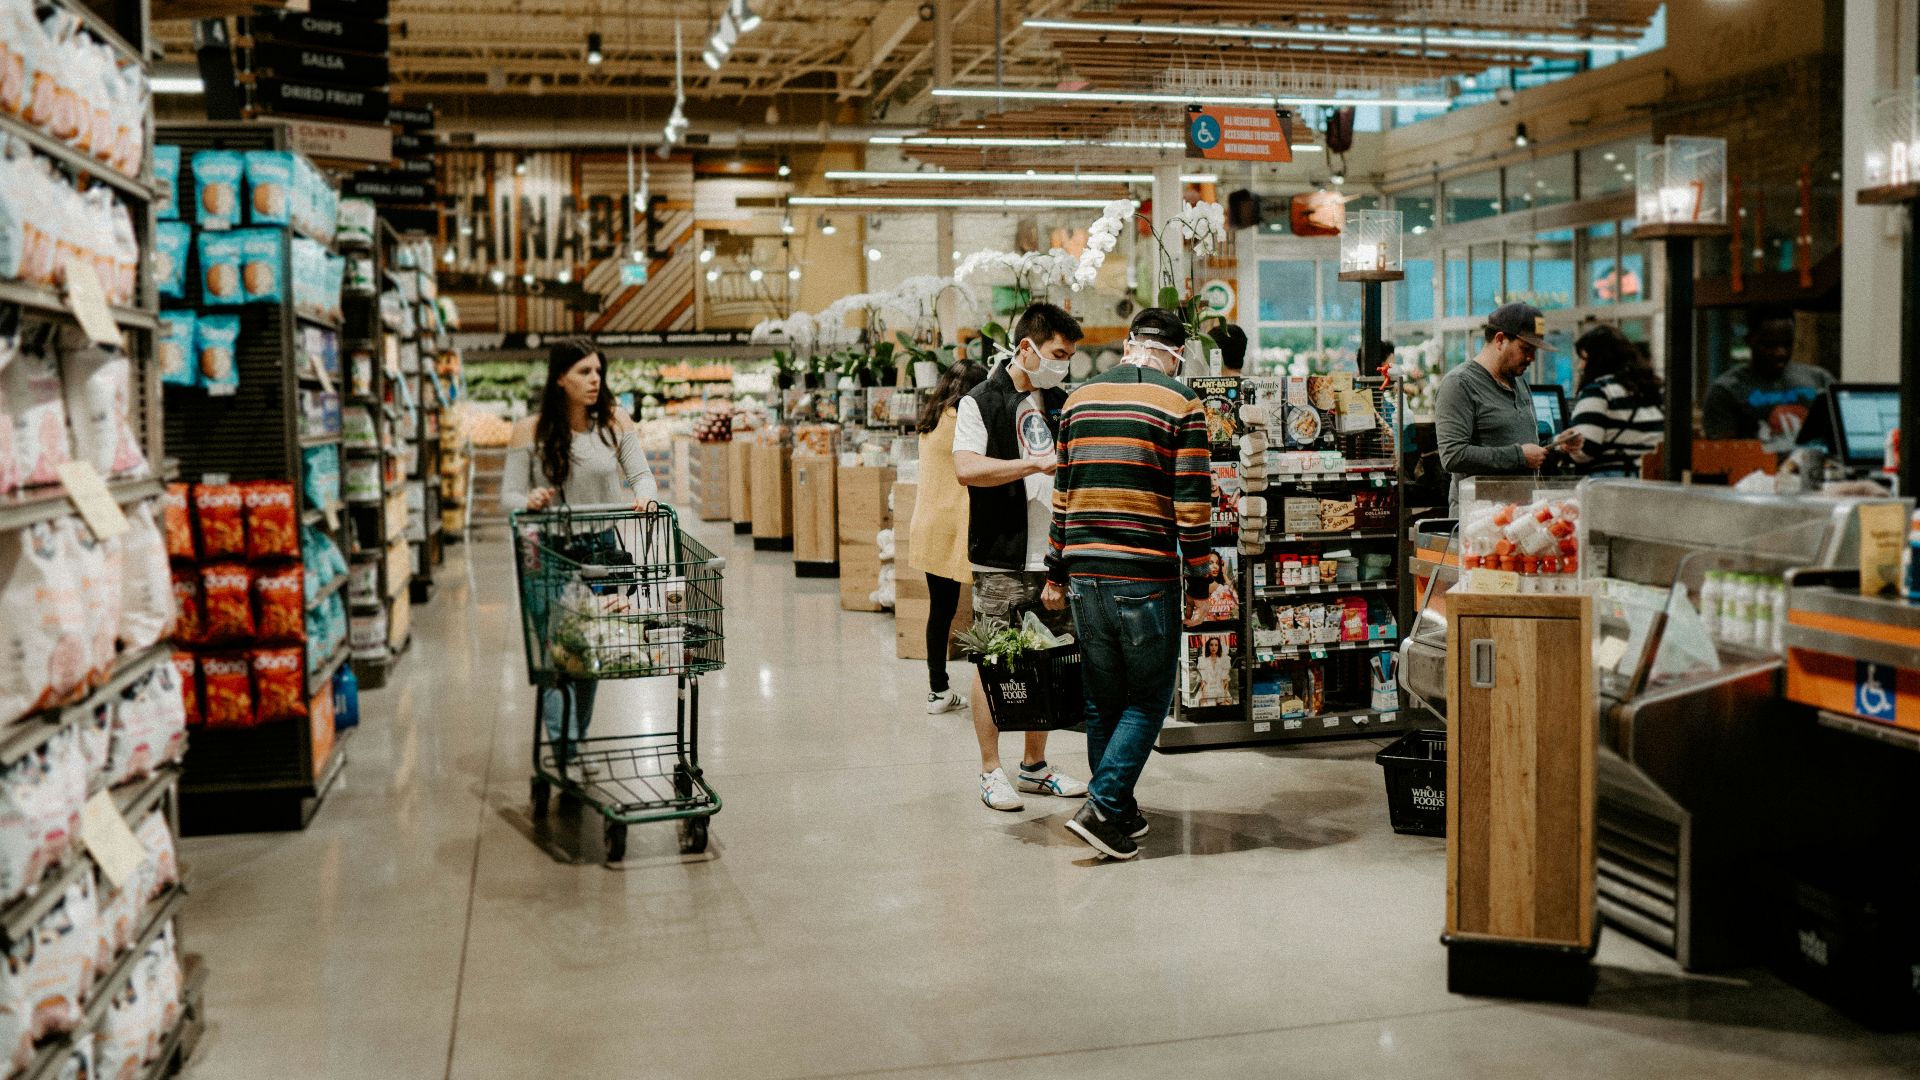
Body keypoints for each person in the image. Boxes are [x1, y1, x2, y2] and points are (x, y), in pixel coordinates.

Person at [1045, 308, 1212, 860]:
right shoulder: (1182, 402)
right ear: (1176, 354)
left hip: (1084, 572)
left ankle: (1120, 812)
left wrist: (1054, 568)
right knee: (1147, 700)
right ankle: (1102, 803)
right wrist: (1201, 582)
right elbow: (1191, 503)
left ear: (1127, 344)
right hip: (1143, 574)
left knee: (1103, 700)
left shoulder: (1076, 399)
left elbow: (1062, 495)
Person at [953, 303, 1091, 811]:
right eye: (1058, 353)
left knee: (1048, 660)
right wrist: (1029, 464)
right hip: (1002, 554)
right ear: (1026, 347)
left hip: (1055, 556)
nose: (1064, 364)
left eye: (1070, 356)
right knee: (994, 661)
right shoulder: (981, 401)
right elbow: (966, 468)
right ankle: (991, 771)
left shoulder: (1063, 403)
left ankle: (1035, 766)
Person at [503, 338, 661, 779]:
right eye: (583, 373)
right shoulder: (529, 430)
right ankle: (566, 751)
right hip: (546, 552)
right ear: (559, 379)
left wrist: (646, 498)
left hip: (600, 551)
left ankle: (572, 745)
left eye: (598, 372)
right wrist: (528, 498)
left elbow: (643, 477)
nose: (595, 380)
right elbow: (508, 497)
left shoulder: (615, 423)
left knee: (590, 651)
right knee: (556, 655)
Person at [1434, 302, 1584, 513]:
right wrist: (1519, 456)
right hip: (1480, 519)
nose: (1531, 358)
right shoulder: (1459, 384)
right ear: (1500, 340)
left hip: (1521, 515)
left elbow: (1523, 443)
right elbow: (1453, 455)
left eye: (1534, 351)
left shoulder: (1519, 381)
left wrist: (1557, 445)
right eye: (1526, 349)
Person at [908, 359, 987, 714]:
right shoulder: (964, 422)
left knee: (940, 610)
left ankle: (937, 689)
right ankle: (990, 688)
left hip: (928, 523)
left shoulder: (931, 419)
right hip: (958, 524)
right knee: (983, 607)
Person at [1702, 305, 1834, 453]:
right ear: (1749, 340)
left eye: (1787, 344)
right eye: (1770, 345)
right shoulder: (1725, 391)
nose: (1780, 353)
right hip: (1756, 472)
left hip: (1813, 471)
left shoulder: (1819, 379)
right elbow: (1724, 457)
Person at [1565, 324, 1664, 478]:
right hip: (1649, 481)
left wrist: (1562, 444)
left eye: (1584, 359)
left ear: (1598, 360)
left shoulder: (1599, 391)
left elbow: (1585, 450)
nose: (1581, 366)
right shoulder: (1652, 390)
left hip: (1613, 484)